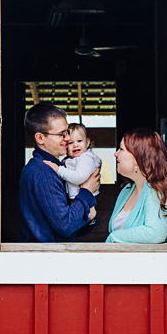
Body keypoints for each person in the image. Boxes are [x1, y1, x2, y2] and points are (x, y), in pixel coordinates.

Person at [19, 103, 101, 242]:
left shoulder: (59, 168)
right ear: (40, 138)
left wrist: (90, 219)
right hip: (47, 258)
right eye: (61, 134)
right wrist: (86, 192)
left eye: (67, 132)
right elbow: (65, 226)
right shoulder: (43, 172)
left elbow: (69, 228)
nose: (68, 139)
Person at [107, 128, 167, 244]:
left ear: (138, 157)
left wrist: (114, 237)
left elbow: (154, 233)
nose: (116, 153)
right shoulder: (126, 191)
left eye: (121, 149)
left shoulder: (158, 190)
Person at [42, 122, 101, 199]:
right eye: (70, 143)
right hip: (77, 200)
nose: (75, 145)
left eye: (79, 141)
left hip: (86, 203)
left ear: (87, 143)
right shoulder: (70, 160)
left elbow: (79, 177)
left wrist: (59, 170)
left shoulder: (86, 159)